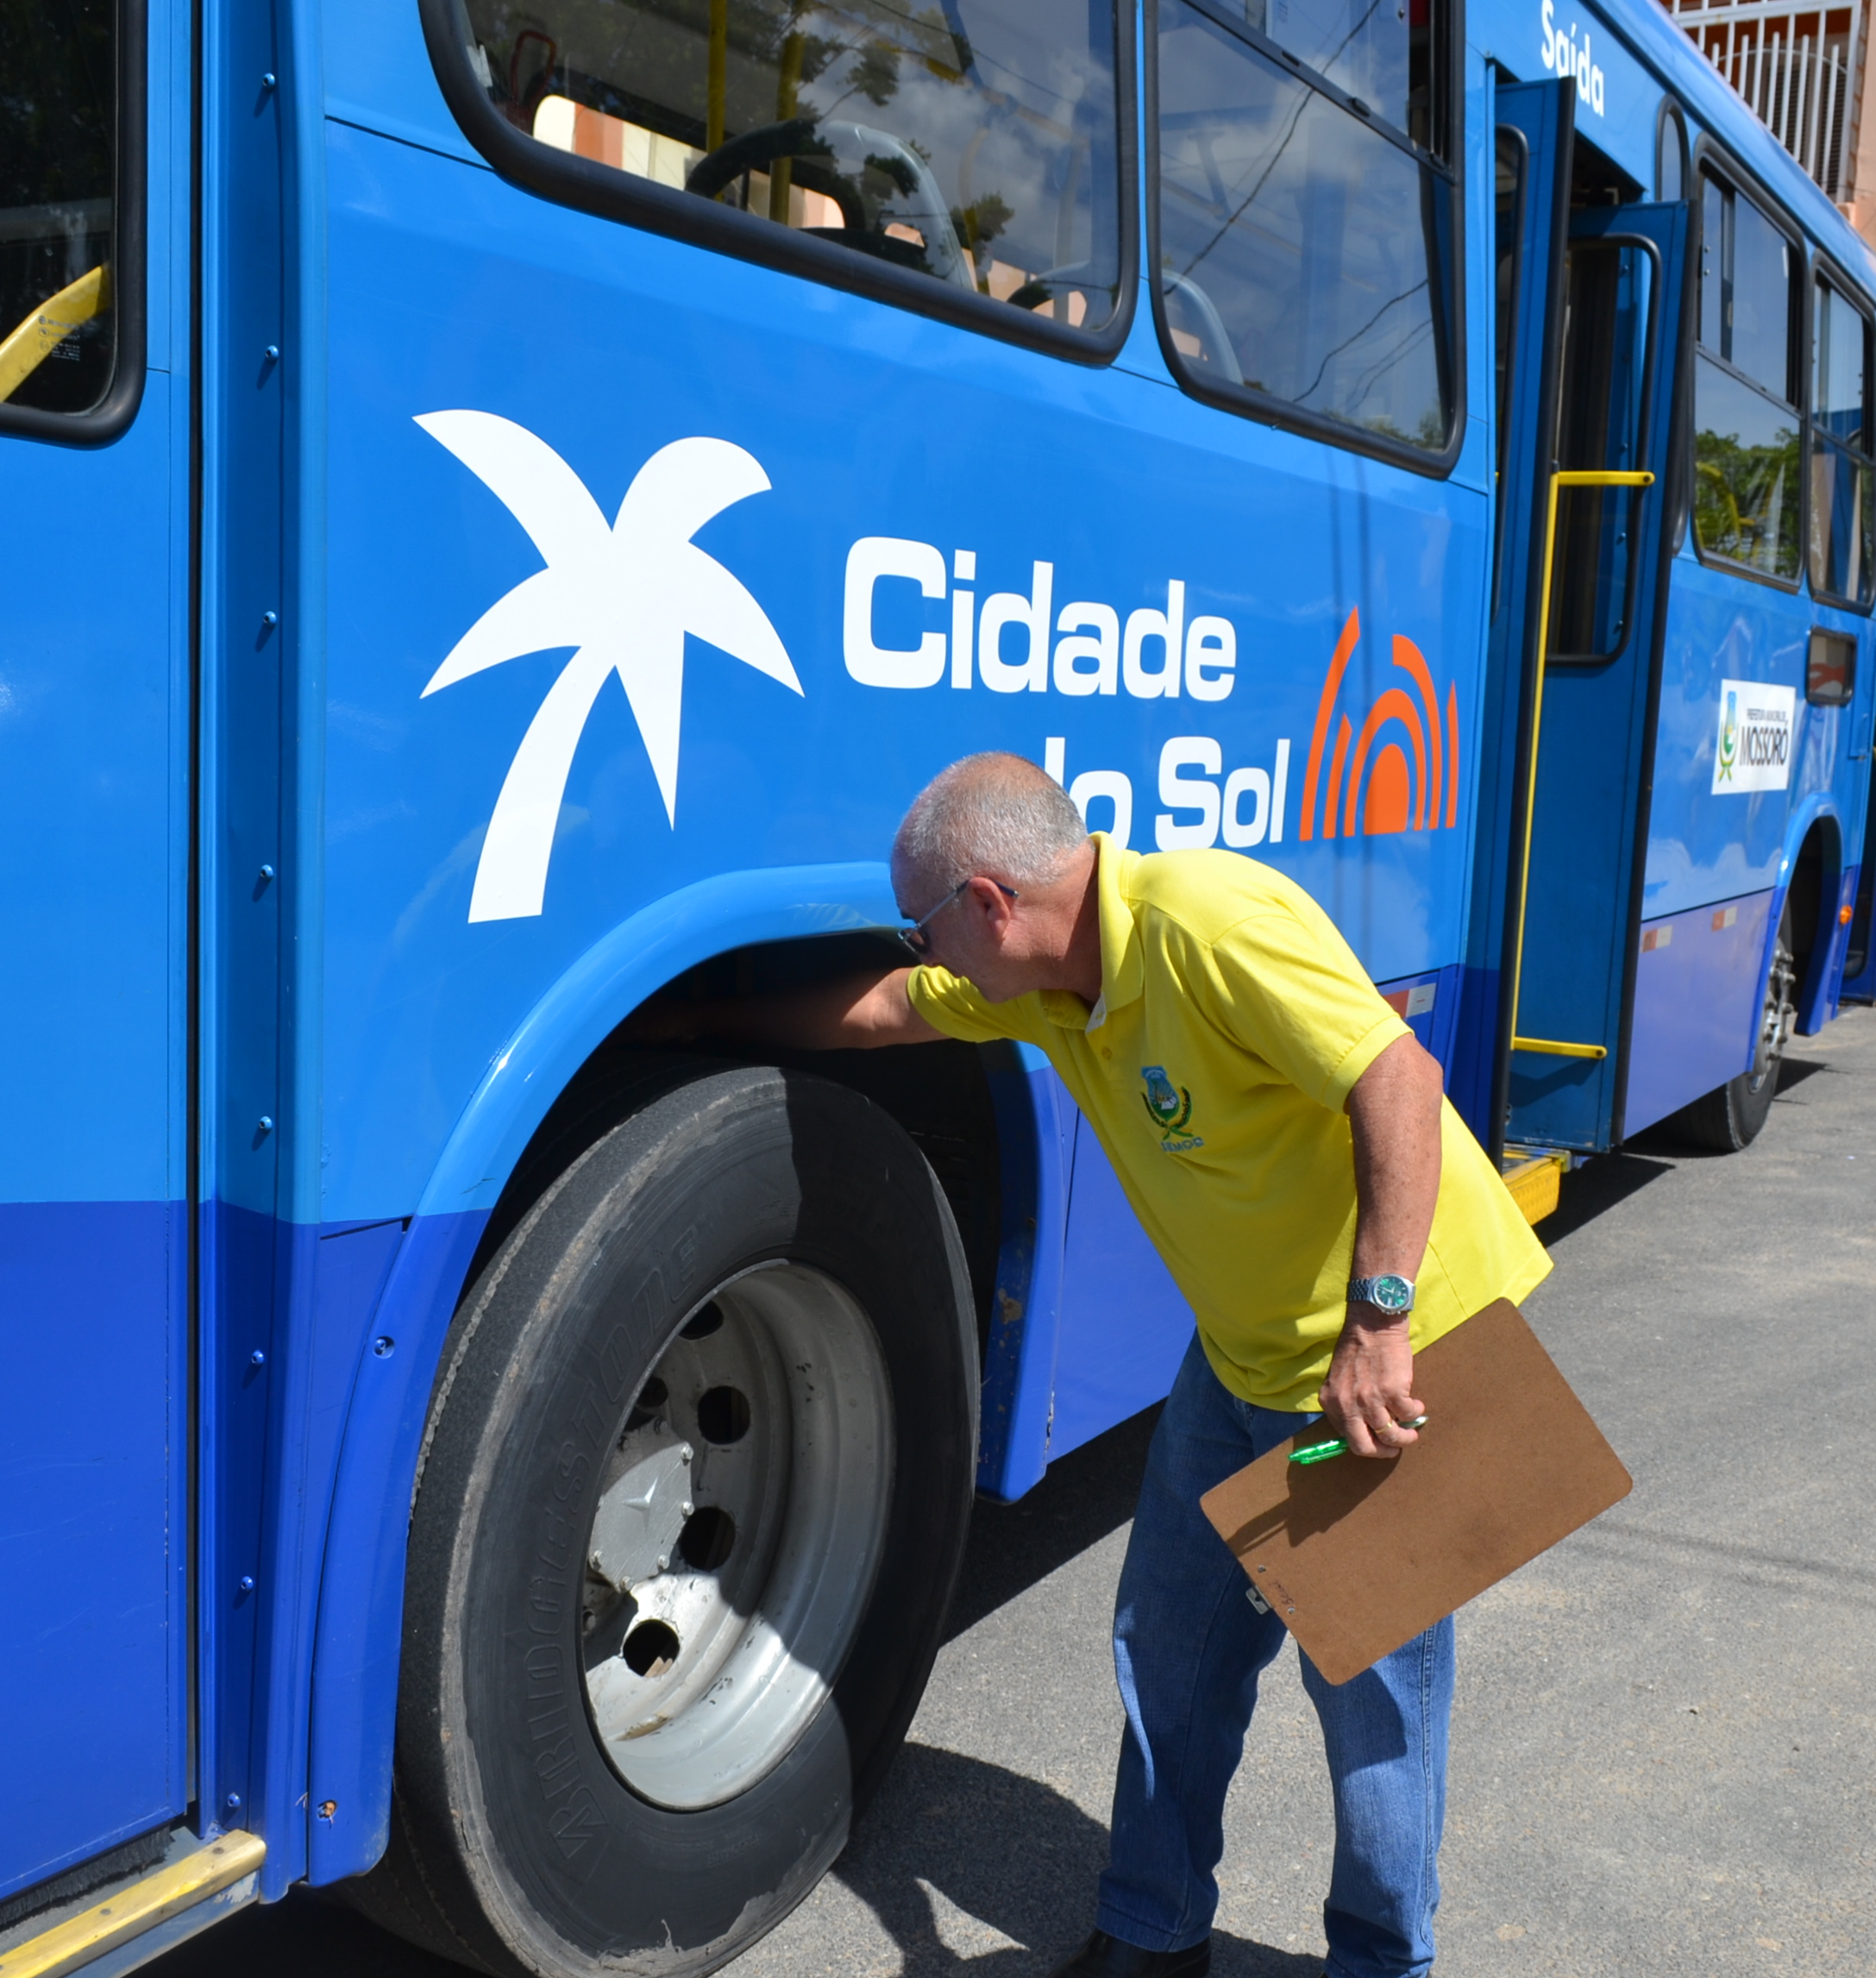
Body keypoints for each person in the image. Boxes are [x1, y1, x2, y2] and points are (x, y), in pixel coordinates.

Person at [656, 751, 1550, 1978]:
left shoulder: (1208, 920)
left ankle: (1383, 1962)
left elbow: (1399, 1078)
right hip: (1239, 1352)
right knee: (1168, 1646)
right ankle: (1150, 1930)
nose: (927, 953)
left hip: (1382, 1354)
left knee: (1373, 1701)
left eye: (928, 927)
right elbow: (885, 1012)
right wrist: (687, 1019)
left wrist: (1378, 1324)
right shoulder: (1040, 984)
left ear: (988, 905)